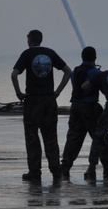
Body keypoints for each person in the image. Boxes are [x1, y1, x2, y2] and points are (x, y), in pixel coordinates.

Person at [11, 30, 72, 182]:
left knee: (32, 137)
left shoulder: (27, 54)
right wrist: (57, 92)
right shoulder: (50, 53)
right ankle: (56, 171)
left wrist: (18, 93)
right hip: (49, 100)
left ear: (30, 41)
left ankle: (35, 171)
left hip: (32, 100)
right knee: (51, 137)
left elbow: (14, 75)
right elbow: (68, 72)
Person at [60, 47, 108, 180]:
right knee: (100, 137)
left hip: (75, 107)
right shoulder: (95, 73)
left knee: (73, 138)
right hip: (91, 107)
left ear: (82, 57)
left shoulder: (75, 71)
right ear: (95, 58)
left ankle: (65, 166)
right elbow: (104, 87)